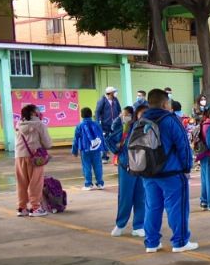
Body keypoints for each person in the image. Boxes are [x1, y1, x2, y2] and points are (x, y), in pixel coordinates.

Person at [139, 89, 196, 253]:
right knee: (177, 207)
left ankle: (151, 243)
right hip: (171, 172)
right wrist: (186, 168)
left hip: (148, 172)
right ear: (165, 103)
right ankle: (180, 242)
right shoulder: (171, 120)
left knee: (152, 207)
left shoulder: (142, 120)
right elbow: (183, 145)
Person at [106, 106, 144, 237]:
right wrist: (118, 150)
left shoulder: (146, 128)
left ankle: (139, 225)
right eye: (123, 114)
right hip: (126, 167)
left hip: (142, 167)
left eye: (126, 114)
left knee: (141, 197)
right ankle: (120, 224)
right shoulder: (124, 128)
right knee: (125, 196)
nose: (124, 116)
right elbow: (110, 140)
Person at [15, 104, 52, 217]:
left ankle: (22, 208)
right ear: (33, 113)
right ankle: (36, 208)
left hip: (19, 156)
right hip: (35, 157)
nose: (39, 112)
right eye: (37, 110)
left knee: (22, 183)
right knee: (35, 182)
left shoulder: (19, 124)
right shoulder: (39, 124)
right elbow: (47, 143)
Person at [71, 107, 107, 191]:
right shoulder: (96, 124)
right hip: (97, 149)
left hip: (85, 149)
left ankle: (88, 184)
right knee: (98, 166)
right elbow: (101, 137)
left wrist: (74, 151)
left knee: (86, 166)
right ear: (91, 114)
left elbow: (76, 139)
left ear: (82, 115)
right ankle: (100, 184)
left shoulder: (80, 125)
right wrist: (104, 148)